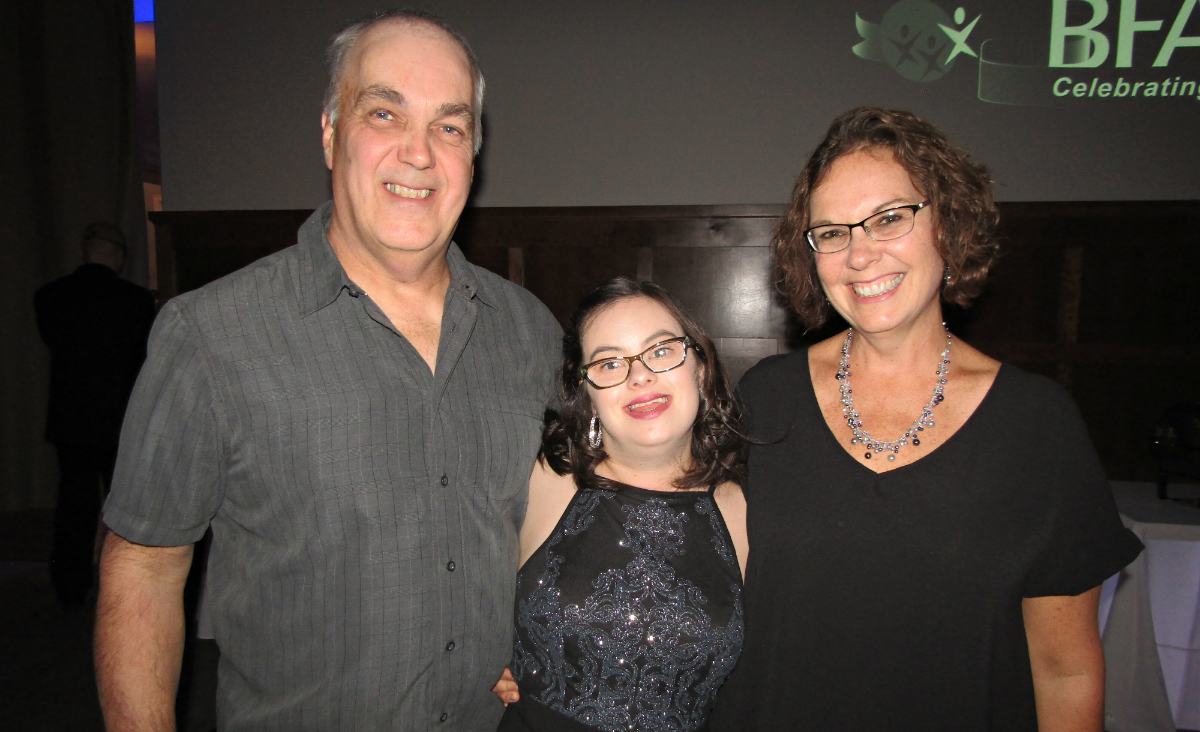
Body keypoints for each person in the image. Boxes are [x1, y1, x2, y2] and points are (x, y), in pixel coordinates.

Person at [95, 10, 561, 732]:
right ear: (330, 132)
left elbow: (565, 528)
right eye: (384, 112)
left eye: (450, 125)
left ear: (474, 151)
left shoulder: (532, 332)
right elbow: (145, 567)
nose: (418, 153)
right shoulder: (211, 336)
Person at [707, 108, 1143, 732]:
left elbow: (1065, 668)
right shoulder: (765, 397)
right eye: (831, 232)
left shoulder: (1035, 424)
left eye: (888, 219)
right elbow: (683, 563)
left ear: (949, 224)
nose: (860, 254)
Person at [491, 278, 749, 732]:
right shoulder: (543, 479)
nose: (639, 375)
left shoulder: (744, 509)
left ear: (701, 368)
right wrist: (475, 662)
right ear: (586, 392)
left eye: (662, 350)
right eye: (609, 362)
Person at [34, 222, 156, 608]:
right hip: (121, 420)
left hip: (71, 419)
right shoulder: (136, 302)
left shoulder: (50, 297)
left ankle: (68, 587)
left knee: (73, 506)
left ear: (84, 249)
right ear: (119, 257)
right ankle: (125, 585)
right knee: (126, 509)